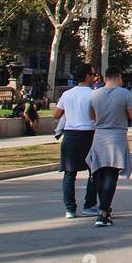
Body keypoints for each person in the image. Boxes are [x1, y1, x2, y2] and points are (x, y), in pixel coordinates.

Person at [86, 69, 132, 228]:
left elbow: (91, 115)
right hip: (116, 135)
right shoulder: (125, 94)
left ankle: (104, 207)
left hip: (99, 135)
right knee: (111, 174)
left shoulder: (95, 94)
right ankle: (103, 212)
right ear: (118, 77)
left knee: (100, 173)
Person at [54, 65, 99, 219]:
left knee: (69, 173)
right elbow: (97, 115)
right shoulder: (94, 94)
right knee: (94, 172)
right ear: (87, 76)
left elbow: (56, 114)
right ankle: (89, 205)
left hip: (70, 135)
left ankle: (70, 209)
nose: (95, 77)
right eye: (93, 74)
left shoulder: (67, 94)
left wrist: (71, 111)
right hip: (89, 134)